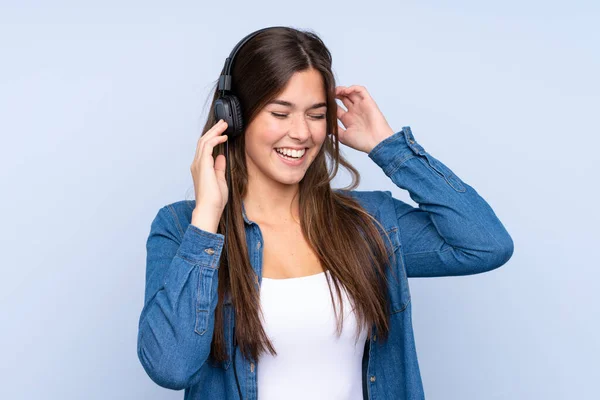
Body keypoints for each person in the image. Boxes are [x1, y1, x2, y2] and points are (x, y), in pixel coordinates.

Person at [136, 26, 514, 400]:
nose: (301, 133)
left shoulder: (369, 223)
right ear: (233, 117)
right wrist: (206, 220)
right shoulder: (181, 228)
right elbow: (172, 367)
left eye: (316, 115)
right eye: (280, 113)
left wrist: (389, 148)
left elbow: (486, 244)